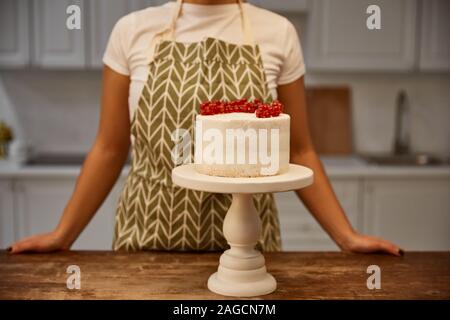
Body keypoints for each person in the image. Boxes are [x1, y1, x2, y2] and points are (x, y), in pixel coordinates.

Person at [8, 0, 403, 256]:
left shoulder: (277, 32)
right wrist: (63, 234)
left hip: (249, 244)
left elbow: (299, 151)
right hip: (147, 237)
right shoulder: (132, 30)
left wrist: (346, 237)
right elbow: (110, 148)